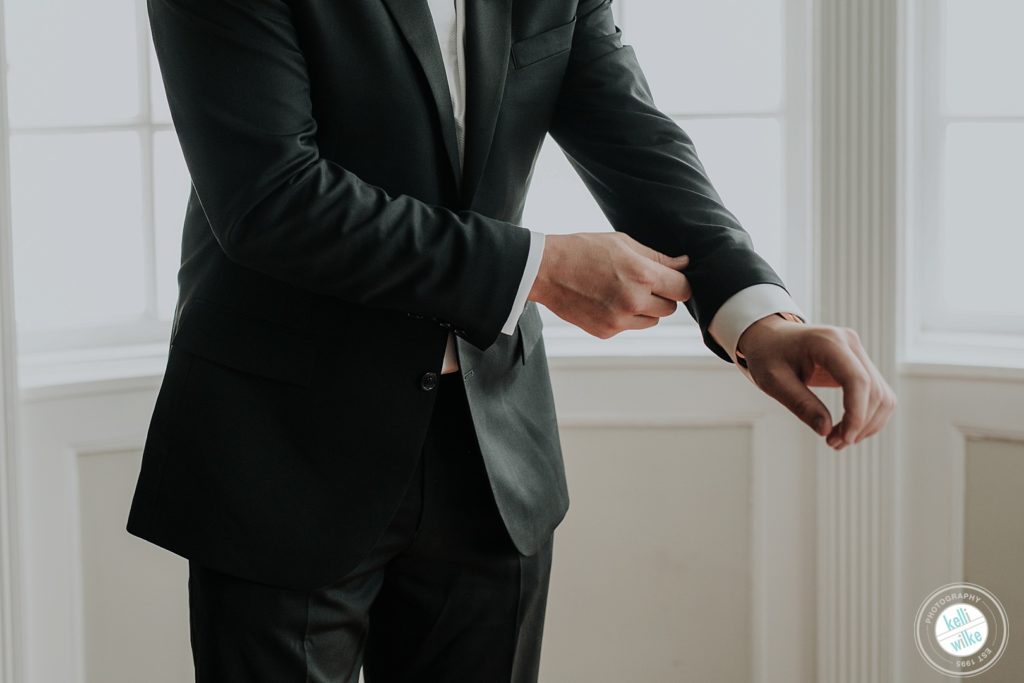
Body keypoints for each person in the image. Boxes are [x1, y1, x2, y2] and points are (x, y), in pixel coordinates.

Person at [127, 0, 897, 680]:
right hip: (282, 451)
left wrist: (757, 318)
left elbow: (630, 135)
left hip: (493, 458)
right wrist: (541, 268)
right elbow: (270, 199)